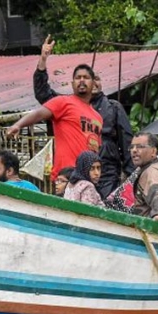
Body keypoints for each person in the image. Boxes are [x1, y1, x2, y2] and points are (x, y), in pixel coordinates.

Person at [33, 35, 135, 198]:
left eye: (94, 78)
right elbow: (42, 93)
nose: (88, 82)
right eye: (81, 78)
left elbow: (127, 142)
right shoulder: (66, 104)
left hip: (105, 174)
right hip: (71, 173)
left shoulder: (113, 107)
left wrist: (132, 177)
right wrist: (43, 60)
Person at [6, 64, 103, 181]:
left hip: (88, 177)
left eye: (86, 77)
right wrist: (18, 124)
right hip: (67, 175)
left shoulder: (98, 117)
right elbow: (39, 113)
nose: (82, 80)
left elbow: (97, 148)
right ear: (72, 84)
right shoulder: (63, 102)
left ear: (93, 83)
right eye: (78, 78)